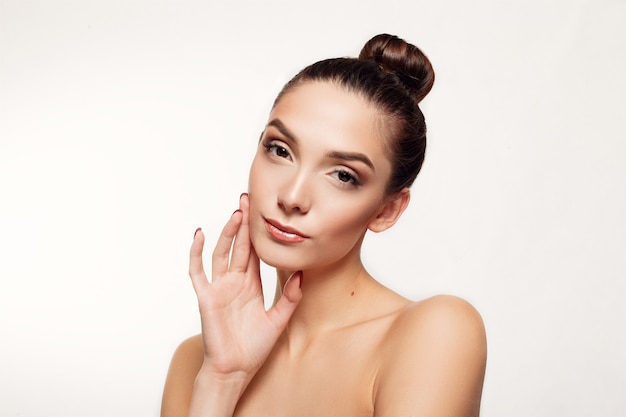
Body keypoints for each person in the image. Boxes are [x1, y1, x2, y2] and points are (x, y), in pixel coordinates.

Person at [160, 33, 487, 417]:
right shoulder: (196, 362)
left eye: (343, 175)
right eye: (280, 150)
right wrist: (221, 381)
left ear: (386, 211)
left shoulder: (436, 334)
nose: (293, 196)